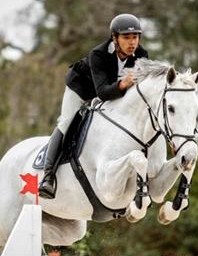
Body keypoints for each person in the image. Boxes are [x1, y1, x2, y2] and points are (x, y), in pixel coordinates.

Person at [38, 13, 149, 199]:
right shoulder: (98, 54)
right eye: (126, 38)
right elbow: (103, 92)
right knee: (66, 122)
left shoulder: (142, 55)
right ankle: (48, 177)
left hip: (111, 93)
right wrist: (123, 84)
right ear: (115, 38)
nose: (132, 43)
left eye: (135, 37)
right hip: (81, 90)